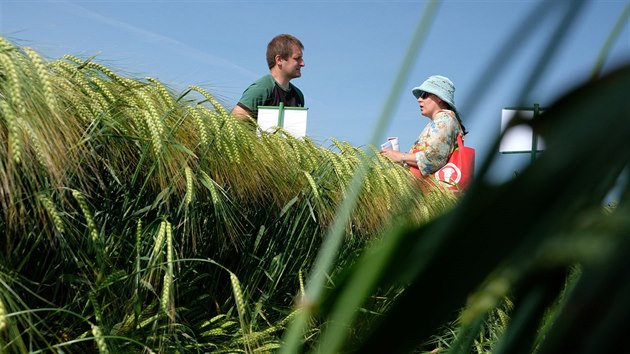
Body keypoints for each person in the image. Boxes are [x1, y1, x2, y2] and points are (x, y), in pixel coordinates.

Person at [380, 75, 468, 179]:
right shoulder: (442, 120)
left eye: (424, 95)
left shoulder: (444, 120)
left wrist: (400, 156)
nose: (419, 99)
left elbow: (433, 159)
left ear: (439, 97)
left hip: (427, 190)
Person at [231, 34, 305, 122]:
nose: (302, 63)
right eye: (297, 58)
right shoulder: (262, 89)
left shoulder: (298, 96)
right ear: (279, 60)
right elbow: (233, 123)